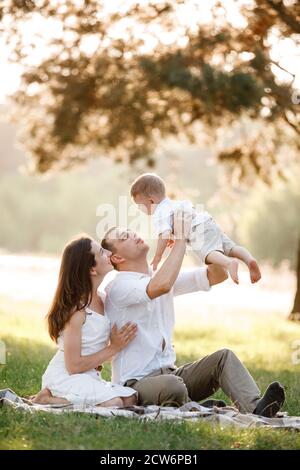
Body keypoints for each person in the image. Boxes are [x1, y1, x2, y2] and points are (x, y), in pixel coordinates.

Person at [101, 209, 285, 417]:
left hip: (173, 374)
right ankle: (194, 406)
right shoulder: (118, 287)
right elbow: (159, 286)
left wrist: (202, 240)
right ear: (116, 257)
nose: (133, 234)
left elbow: (216, 276)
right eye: (124, 237)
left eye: (130, 231)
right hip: (135, 385)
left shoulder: (160, 278)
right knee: (173, 386)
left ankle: (257, 408)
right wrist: (179, 239)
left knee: (223, 358)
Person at [32, 235, 137, 407]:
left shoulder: (103, 299)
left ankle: (66, 398)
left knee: (131, 399)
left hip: (88, 375)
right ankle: (47, 399)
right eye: (102, 252)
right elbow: (73, 366)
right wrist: (114, 347)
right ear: (92, 270)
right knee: (115, 403)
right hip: (66, 376)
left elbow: (94, 345)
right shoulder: (77, 312)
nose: (108, 253)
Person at [130, 172, 261, 284]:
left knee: (207, 253)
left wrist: (158, 256)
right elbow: (173, 229)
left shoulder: (158, 213)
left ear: (151, 201)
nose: (139, 209)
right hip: (208, 221)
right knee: (231, 248)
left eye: (140, 205)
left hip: (197, 229)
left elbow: (164, 234)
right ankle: (249, 260)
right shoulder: (173, 204)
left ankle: (229, 263)